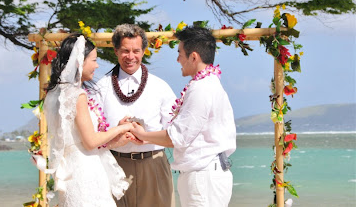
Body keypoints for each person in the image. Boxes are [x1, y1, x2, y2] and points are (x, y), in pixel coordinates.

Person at [130, 26, 237, 207]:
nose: (178, 59)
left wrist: (142, 134)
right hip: (206, 175)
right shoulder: (208, 84)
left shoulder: (202, 88)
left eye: (180, 53)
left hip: (203, 177)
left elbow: (178, 136)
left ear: (193, 57)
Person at [44, 34, 135, 207]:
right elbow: (90, 142)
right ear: (80, 62)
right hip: (86, 173)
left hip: (73, 170)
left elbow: (78, 141)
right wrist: (123, 128)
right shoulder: (77, 96)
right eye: (93, 60)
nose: (97, 65)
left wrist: (114, 139)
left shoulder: (56, 93)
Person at [93, 24, 176, 207]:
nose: (131, 57)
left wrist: (147, 138)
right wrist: (116, 133)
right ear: (115, 51)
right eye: (125, 51)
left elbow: (175, 132)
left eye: (136, 51)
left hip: (153, 164)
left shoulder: (160, 87)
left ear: (144, 51)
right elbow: (93, 133)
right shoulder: (102, 87)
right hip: (114, 165)